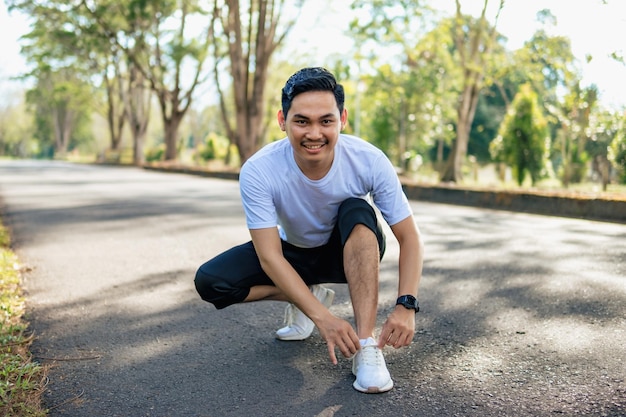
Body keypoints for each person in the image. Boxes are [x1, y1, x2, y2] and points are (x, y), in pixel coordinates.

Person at [194, 67, 424, 394]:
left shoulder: (368, 160)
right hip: (292, 255)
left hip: (347, 251)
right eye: (302, 121)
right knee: (211, 282)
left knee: (356, 209)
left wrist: (406, 305)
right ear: (282, 120)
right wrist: (322, 318)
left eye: (326, 121)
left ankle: (366, 345)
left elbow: (409, 237)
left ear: (342, 119)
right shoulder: (260, 170)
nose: (314, 133)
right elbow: (270, 258)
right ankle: (308, 297)